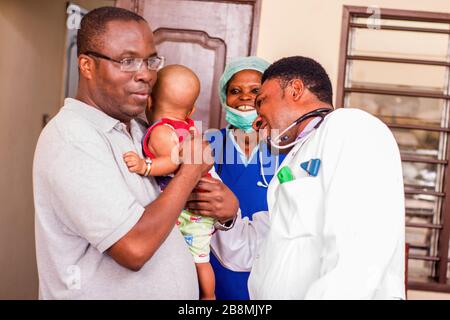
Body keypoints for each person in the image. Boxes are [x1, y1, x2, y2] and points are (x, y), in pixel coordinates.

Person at [32, 7, 237, 300]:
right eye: (128, 61)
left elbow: (177, 206)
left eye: (150, 61)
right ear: (87, 65)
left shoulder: (142, 130)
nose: (145, 75)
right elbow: (134, 248)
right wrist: (190, 170)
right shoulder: (72, 137)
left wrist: (226, 212)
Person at [212, 56, 405, 299]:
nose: (258, 118)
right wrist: (228, 219)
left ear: (295, 90)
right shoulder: (297, 156)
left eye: (262, 101)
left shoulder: (350, 127)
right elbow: (259, 248)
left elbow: (359, 256)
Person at [123, 64, 217, 300]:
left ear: (150, 102)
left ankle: (208, 297)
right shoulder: (189, 129)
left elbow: (175, 162)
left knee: (198, 259)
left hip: (191, 208)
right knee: (201, 258)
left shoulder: (161, 132)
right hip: (201, 202)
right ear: (191, 110)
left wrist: (146, 166)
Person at [206, 56, 285, 300]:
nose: (244, 97)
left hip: (272, 269)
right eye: (235, 91)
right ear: (224, 97)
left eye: (255, 90)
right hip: (214, 268)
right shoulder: (207, 144)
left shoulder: (287, 147)